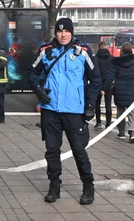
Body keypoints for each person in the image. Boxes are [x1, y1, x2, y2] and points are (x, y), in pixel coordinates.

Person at [27, 17, 101, 205]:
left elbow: (96, 79)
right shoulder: (46, 51)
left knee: (79, 149)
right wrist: (38, 89)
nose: (63, 34)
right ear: (56, 33)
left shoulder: (83, 51)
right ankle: (54, 185)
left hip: (74, 110)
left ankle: (88, 186)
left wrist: (90, 104)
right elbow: (31, 73)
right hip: (50, 109)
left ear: (71, 32)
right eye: (60, 31)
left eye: (66, 31)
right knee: (52, 150)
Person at [104, 44, 134, 142]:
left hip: (119, 89)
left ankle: (121, 132)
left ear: (121, 51)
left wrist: (104, 88)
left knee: (120, 111)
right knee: (133, 112)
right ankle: (132, 133)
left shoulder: (116, 62)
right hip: (131, 88)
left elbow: (110, 76)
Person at [94, 41, 114, 130]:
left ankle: (98, 123)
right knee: (108, 104)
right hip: (108, 84)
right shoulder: (112, 58)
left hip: (97, 83)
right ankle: (108, 124)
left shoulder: (95, 59)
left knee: (97, 104)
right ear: (106, 47)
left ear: (98, 47)